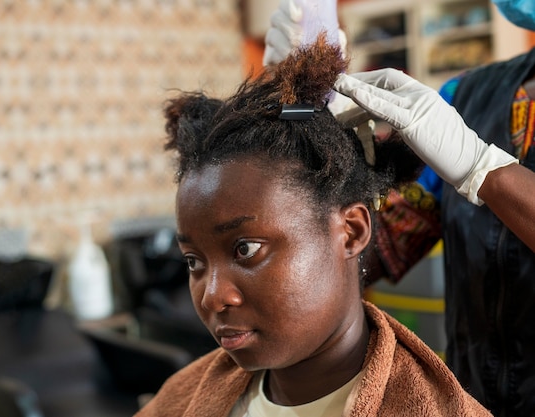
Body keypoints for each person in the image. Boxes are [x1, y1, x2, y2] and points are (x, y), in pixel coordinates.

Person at [134, 34, 491, 416]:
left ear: (351, 231)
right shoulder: (182, 399)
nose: (212, 297)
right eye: (193, 261)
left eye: (246, 249)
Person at [263, 1, 535, 416]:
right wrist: (312, 139)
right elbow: (371, 248)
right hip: (471, 401)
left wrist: (485, 169)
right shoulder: (466, 97)